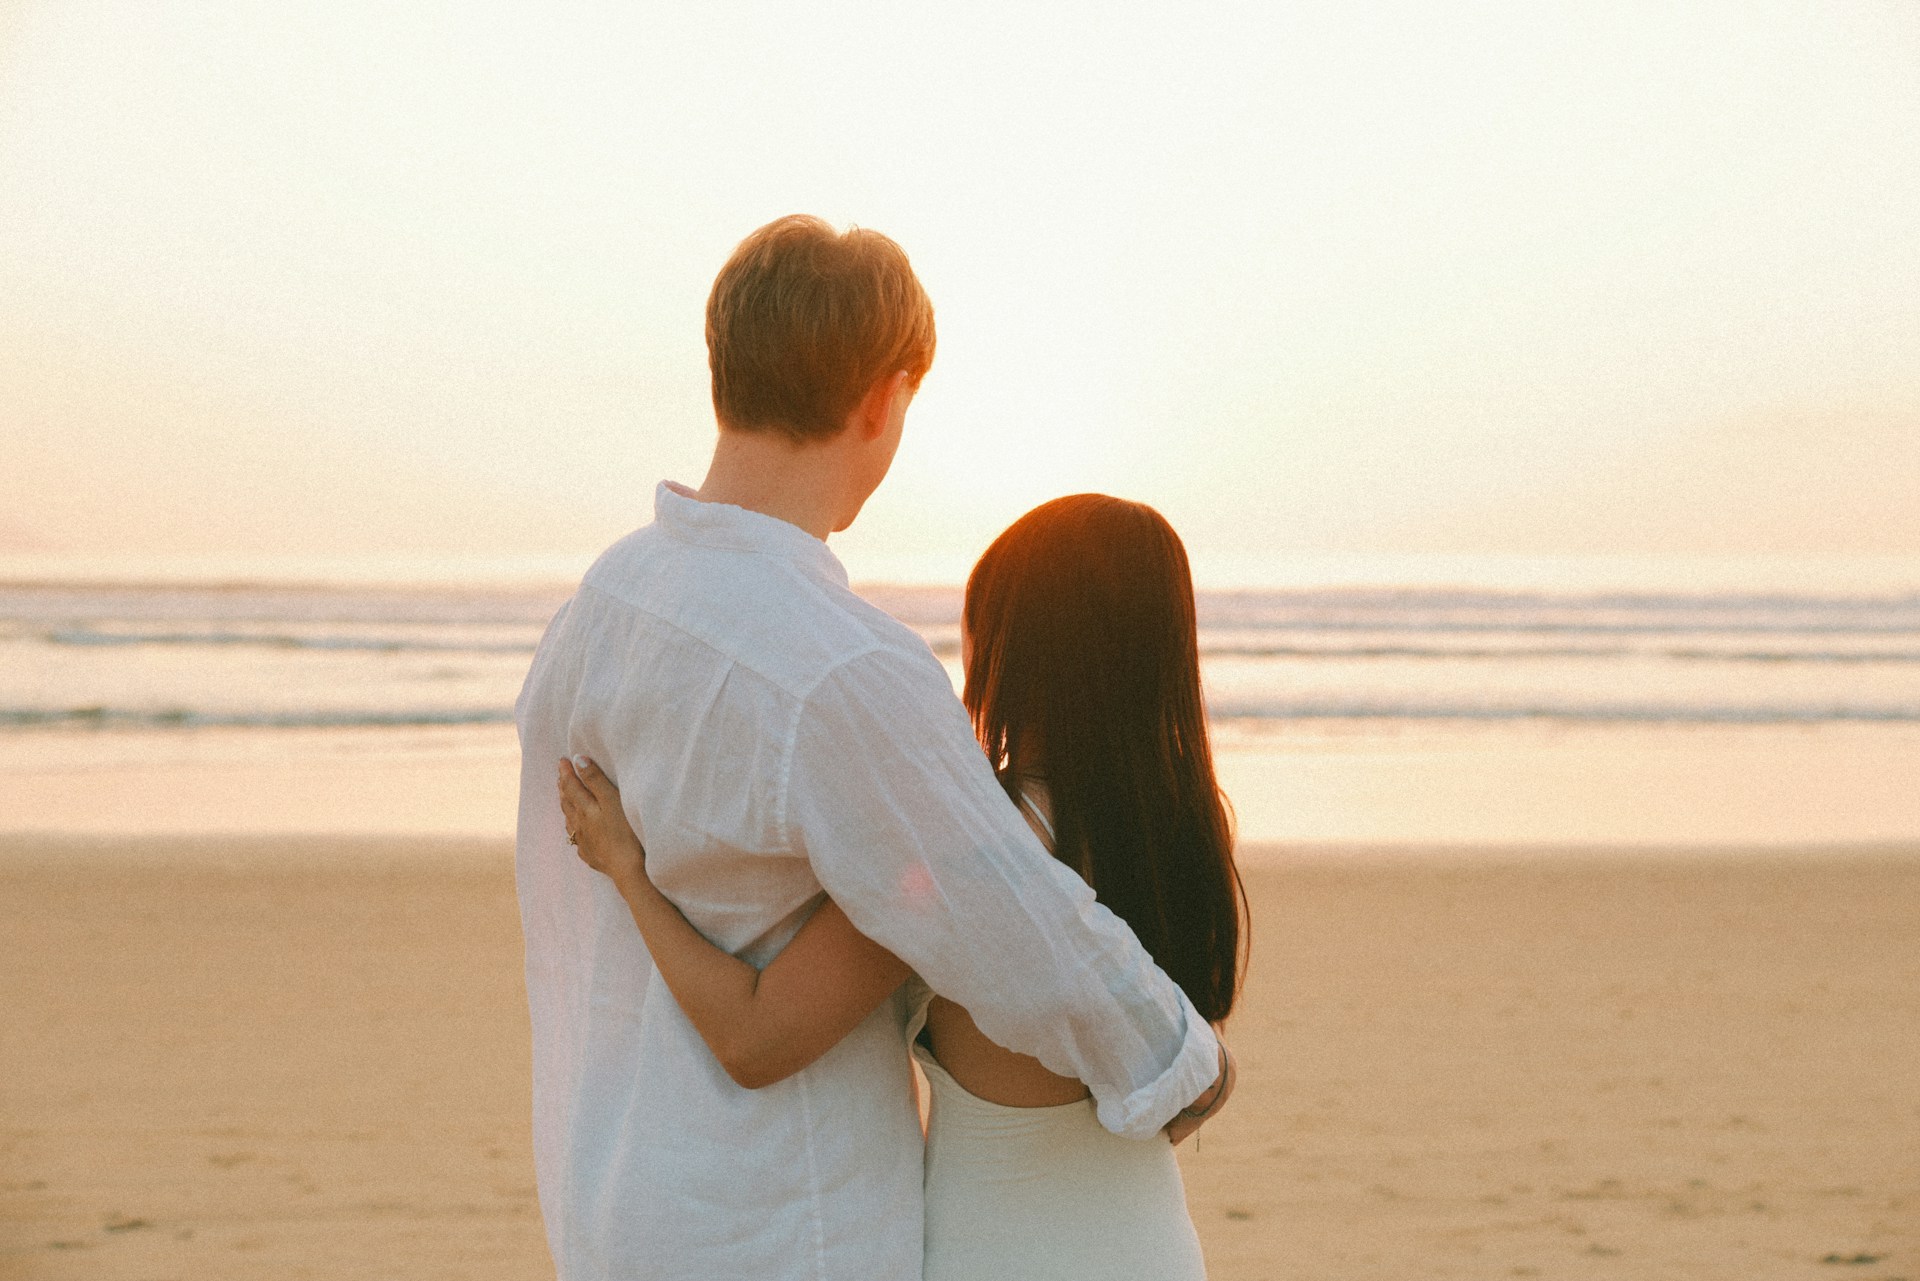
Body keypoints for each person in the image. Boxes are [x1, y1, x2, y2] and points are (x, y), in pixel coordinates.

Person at [513, 216, 1230, 1280]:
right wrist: (1178, 1062)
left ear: (728, 367)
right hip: (775, 1226)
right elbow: (1024, 931)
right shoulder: (843, 669)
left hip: (612, 1194)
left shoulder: (597, 611)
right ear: (882, 398)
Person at [559, 493, 1246, 1280]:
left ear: (1021, 647)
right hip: (1148, 1242)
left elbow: (753, 1037)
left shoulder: (972, 847)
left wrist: (627, 869)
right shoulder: (1186, 830)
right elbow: (1174, 1090)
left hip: (1000, 1252)